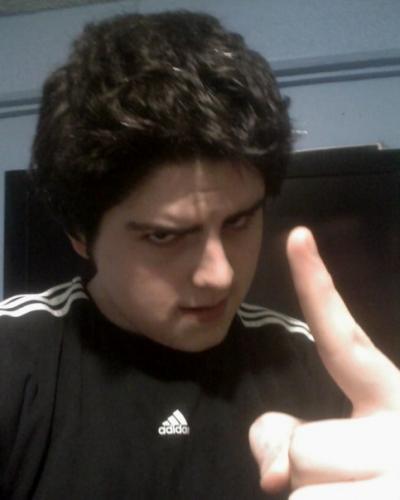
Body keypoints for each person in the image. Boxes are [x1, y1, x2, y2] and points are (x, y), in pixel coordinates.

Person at [0, 10, 399, 500]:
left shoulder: (314, 366)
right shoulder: (12, 363)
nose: (220, 275)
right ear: (80, 234)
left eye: (239, 222)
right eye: (164, 236)